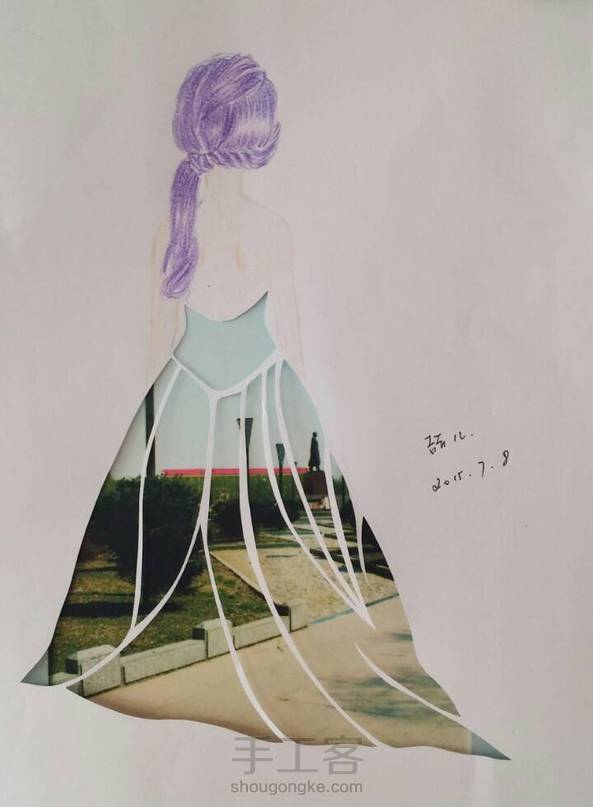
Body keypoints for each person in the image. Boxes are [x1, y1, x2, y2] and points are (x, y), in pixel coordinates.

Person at [25, 54, 503, 759]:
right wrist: (311, 427)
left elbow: (154, 350)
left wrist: (151, 435)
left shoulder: (172, 229)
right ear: (261, 136)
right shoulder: (270, 230)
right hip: (262, 398)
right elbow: (297, 347)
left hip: (183, 398)